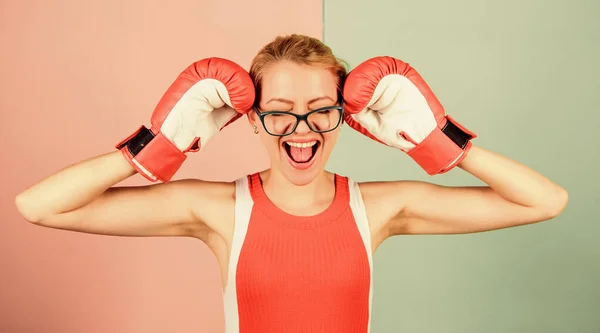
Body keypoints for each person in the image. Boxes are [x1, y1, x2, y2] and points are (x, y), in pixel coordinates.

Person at [14, 34, 568, 333]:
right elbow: (39, 206)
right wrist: (157, 144)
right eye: (279, 111)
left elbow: (546, 201)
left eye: (320, 109)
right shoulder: (219, 209)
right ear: (251, 119)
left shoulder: (377, 207)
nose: (300, 129)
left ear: (345, 116)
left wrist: (437, 139)